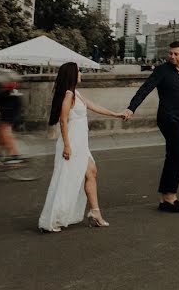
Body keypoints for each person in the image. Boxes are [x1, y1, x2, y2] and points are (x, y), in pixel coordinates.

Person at [39, 62, 125, 232]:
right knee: (67, 181)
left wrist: (116, 114)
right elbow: (63, 121)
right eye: (78, 71)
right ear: (72, 74)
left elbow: (94, 106)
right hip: (71, 144)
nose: (81, 73)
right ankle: (53, 219)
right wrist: (67, 146)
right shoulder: (69, 94)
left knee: (91, 172)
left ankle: (95, 213)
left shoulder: (76, 94)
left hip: (80, 144)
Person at [123, 42, 179, 213]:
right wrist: (131, 108)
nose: (172, 56)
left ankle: (165, 199)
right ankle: (170, 197)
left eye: (176, 54)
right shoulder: (162, 71)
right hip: (167, 118)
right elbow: (144, 89)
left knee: (173, 155)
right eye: (170, 53)